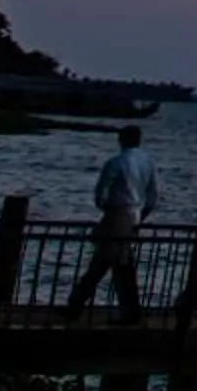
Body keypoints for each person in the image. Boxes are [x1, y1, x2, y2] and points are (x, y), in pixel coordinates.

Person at [66, 125, 159, 320]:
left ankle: (76, 307)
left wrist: (107, 210)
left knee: (105, 262)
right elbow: (152, 197)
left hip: (117, 214)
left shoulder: (115, 162)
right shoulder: (148, 162)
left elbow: (101, 194)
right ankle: (128, 311)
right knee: (119, 263)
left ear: (120, 139)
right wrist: (140, 216)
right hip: (135, 214)